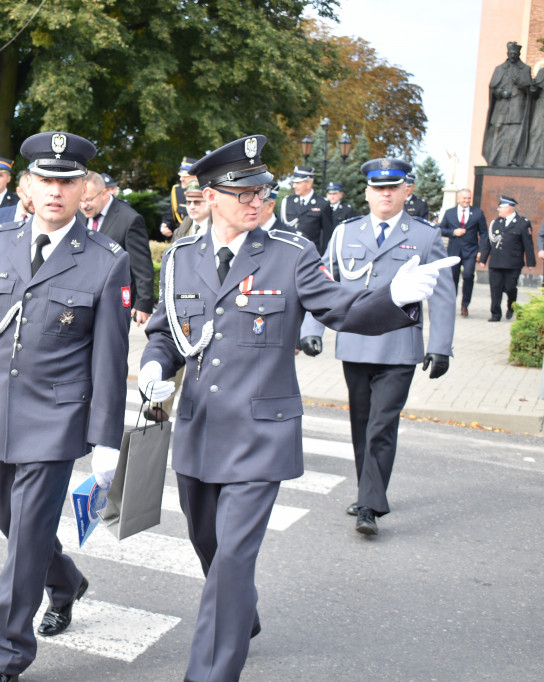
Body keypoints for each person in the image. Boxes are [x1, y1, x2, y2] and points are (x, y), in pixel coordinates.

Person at [140, 137, 453, 682]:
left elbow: (342, 308)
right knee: (207, 544)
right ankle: (240, 613)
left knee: (234, 558)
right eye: (242, 193)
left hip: (261, 432)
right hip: (198, 427)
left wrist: (395, 296)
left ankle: (209, 672)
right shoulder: (182, 257)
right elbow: (167, 332)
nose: (256, 203)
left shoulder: (290, 252)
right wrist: (151, 368)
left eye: (262, 192)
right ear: (210, 195)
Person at [0, 132, 131, 682]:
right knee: (12, 524)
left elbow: (110, 357)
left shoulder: (106, 261)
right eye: (46, 180)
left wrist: (107, 440)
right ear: (27, 187)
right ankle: (64, 581)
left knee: (22, 545)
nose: (57, 191)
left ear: (85, 188)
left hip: (57, 419)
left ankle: (6, 655)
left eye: (68, 181)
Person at [299, 158, 457, 536]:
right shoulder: (344, 233)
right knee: (360, 424)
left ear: (407, 191)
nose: (385, 194)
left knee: (382, 426)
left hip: (399, 345)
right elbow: (324, 283)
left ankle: (370, 504)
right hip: (355, 343)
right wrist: (312, 327)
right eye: (378, 188)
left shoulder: (425, 235)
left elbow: (444, 295)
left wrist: (441, 346)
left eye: (393, 187)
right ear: (367, 193)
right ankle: (365, 489)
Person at [81, 170, 155, 325]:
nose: (84, 205)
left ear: (104, 193)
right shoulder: (78, 215)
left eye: (88, 199)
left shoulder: (129, 219)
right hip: (81, 299)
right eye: (80, 200)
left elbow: (142, 265)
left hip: (113, 302)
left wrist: (144, 302)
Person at [479, 195, 536, 321]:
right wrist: (483, 259)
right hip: (496, 261)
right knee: (495, 289)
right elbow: (489, 242)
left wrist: (530, 262)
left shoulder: (522, 223)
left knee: (510, 287)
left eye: (501, 207)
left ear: (509, 208)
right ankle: (495, 314)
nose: (498, 210)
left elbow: (528, 244)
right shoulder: (496, 222)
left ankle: (511, 305)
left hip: (513, 263)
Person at [438, 188, 488, 316]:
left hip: (471, 251)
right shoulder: (450, 213)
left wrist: (481, 250)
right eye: (464, 198)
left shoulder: (478, 213)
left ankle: (465, 304)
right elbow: (441, 229)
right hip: (454, 250)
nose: (467, 201)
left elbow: (483, 233)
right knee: (452, 278)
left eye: (469, 198)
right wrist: (453, 232)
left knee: (468, 276)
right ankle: (450, 303)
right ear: (458, 199)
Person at [483, 41, 533, 167]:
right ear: (507, 53)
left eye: (515, 52)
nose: (513, 54)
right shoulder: (499, 69)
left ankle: (513, 161)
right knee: (498, 133)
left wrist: (520, 82)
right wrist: (500, 92)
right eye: (511, 52)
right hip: (501, 108)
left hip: (517, 108)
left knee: (515, 135)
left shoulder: (525, 69)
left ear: (519, 53)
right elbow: (493, 88)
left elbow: (529, 89)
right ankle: (495, 160)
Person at [279, 165, 334, 253]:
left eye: (298, 183)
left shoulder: (322, 204)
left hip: (310, 254)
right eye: (294, 183)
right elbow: (280, 229)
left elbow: (327, 235)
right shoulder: (287, 201)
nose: (294, 186)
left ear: (309, 183)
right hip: (288, 252)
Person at [159, 156, 197, 238]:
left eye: (185, 176)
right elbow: (171, 214)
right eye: (180, 175)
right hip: (182, 235)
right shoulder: (177, 190)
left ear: (195, 177)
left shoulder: (207, 192)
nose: (181, 179)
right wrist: (166, 224)